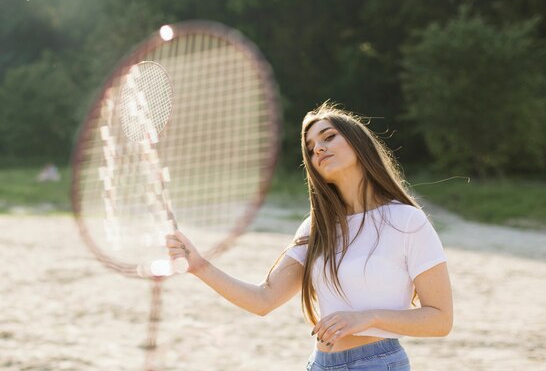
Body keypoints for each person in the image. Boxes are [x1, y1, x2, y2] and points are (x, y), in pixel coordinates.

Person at [166, 102, 453, 370]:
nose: (318, 148)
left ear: (359, 143)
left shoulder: (406, 221)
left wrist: (367, 318)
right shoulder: (317, 227)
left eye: (328, 137)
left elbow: (440, 319)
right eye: (311, 147)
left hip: (376, 363)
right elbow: (263, 300)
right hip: (319, 363)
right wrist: (199, 265)